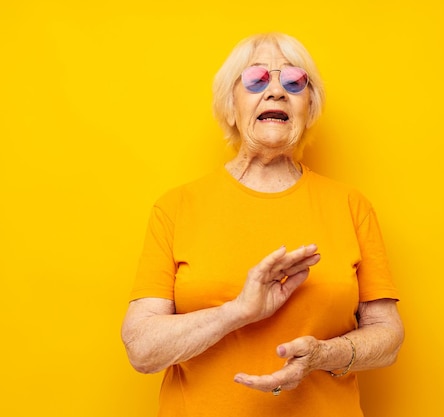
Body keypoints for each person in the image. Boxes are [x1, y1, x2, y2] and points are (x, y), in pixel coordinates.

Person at [121, 32, 404, 417]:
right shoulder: (177, 207)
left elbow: (388, 336)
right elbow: (141, 349)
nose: (276, 91)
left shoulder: (351, 206)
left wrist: (323, 354)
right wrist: (237, 311)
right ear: (231, 107)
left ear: (309, 108)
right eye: (256, 79)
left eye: (294, 81)